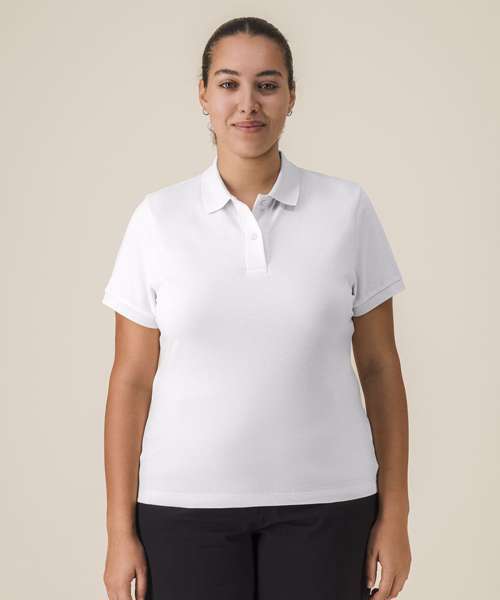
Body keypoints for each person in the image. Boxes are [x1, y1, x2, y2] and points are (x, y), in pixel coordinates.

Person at [101, 16, 411, 600]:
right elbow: (131, 380)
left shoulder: (346, 209)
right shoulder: (158, 219)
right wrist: (120, 533)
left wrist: (395, 516)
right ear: (203, 95)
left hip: (328, 503)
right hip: (183, 507)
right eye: (229, 84)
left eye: (267, 85)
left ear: (292, 96)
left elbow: (379, 367)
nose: (248, 104)